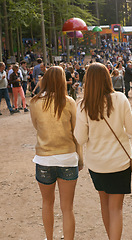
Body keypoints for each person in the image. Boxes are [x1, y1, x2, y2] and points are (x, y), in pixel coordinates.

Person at [74, 62, 132, 240]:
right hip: (120, 162)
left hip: (97, 164)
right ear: (107, 78)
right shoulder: (120, 98)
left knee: (104, 203)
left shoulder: (82, 105)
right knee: (116, 208)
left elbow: (80, 139)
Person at [30, 66, 83, 240]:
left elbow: (36, 126)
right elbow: (76, 133)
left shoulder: (35, 102)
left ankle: (49, 238)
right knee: (67, 208)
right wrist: (80, 158)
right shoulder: (69, 102)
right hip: (67, 157)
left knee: (47, 203)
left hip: (44, 158)